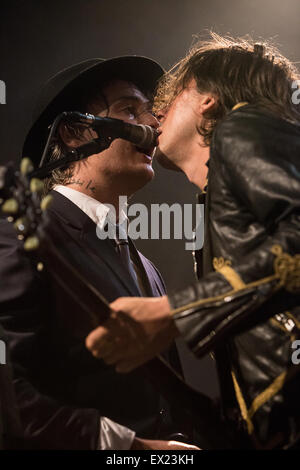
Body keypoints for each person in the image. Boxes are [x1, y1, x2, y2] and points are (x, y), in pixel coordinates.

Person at [86, 35, 300, 449]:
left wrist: (176, 311)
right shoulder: (215, 193)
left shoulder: (240, 128)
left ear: (207, 99)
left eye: (173, 96)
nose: (156, 114)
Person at [0, 56, 197, 450]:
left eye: (150, 112)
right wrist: (130, 447)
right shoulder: (16, 233)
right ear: (74, 133)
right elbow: (9, 394)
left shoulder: (145, 266)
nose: (153, 125)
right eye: (129, 109)